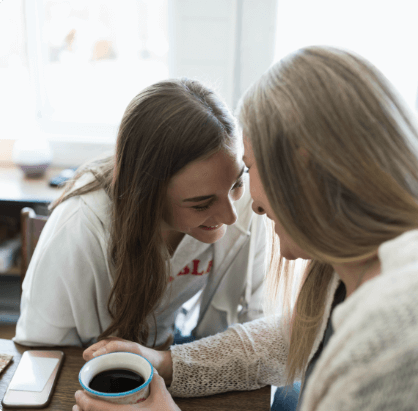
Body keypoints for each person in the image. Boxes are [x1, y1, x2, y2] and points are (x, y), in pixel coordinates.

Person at [74, 45, 418, 411]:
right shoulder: (360, 268)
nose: (251, 204)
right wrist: (167, 362)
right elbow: (295, 337)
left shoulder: (391, 339)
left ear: (307, 175)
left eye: (250, 170)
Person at [14, 78, 267, 350]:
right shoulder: (78, 228)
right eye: (201, 204)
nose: (231, 217)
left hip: (172, 349)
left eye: (237, 184)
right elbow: (40, 353)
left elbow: (259, 320)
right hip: (90, 362)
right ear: (147, 195)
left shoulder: (243, 201)